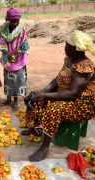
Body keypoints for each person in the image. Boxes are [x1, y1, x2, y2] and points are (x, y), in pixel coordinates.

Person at [22, 30, 95, 162]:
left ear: (75, 49)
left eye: (67, 45)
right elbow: (56, 81)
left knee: (54, 108)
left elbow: (73, 94)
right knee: (35, 98)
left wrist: (45, 95)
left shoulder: (84, 66)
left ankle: (44, 147)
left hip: (82, 105)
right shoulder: (70, 60)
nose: (64, 47)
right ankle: (37, 129)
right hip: (67, 97)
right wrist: (41, 93)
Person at [0, 8, 29, 111]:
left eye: (17, 21)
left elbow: (24, 44)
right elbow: (0, 43)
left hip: (19, 57)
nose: (15, 23)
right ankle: (8, 99)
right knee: (7, 78)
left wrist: (17, 54)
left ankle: (15, 101)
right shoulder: (2, 29)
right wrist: (7, 54)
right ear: (8, 20)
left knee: (17, 80)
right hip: (7, 57)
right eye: (13, 21)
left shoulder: (21, 29)